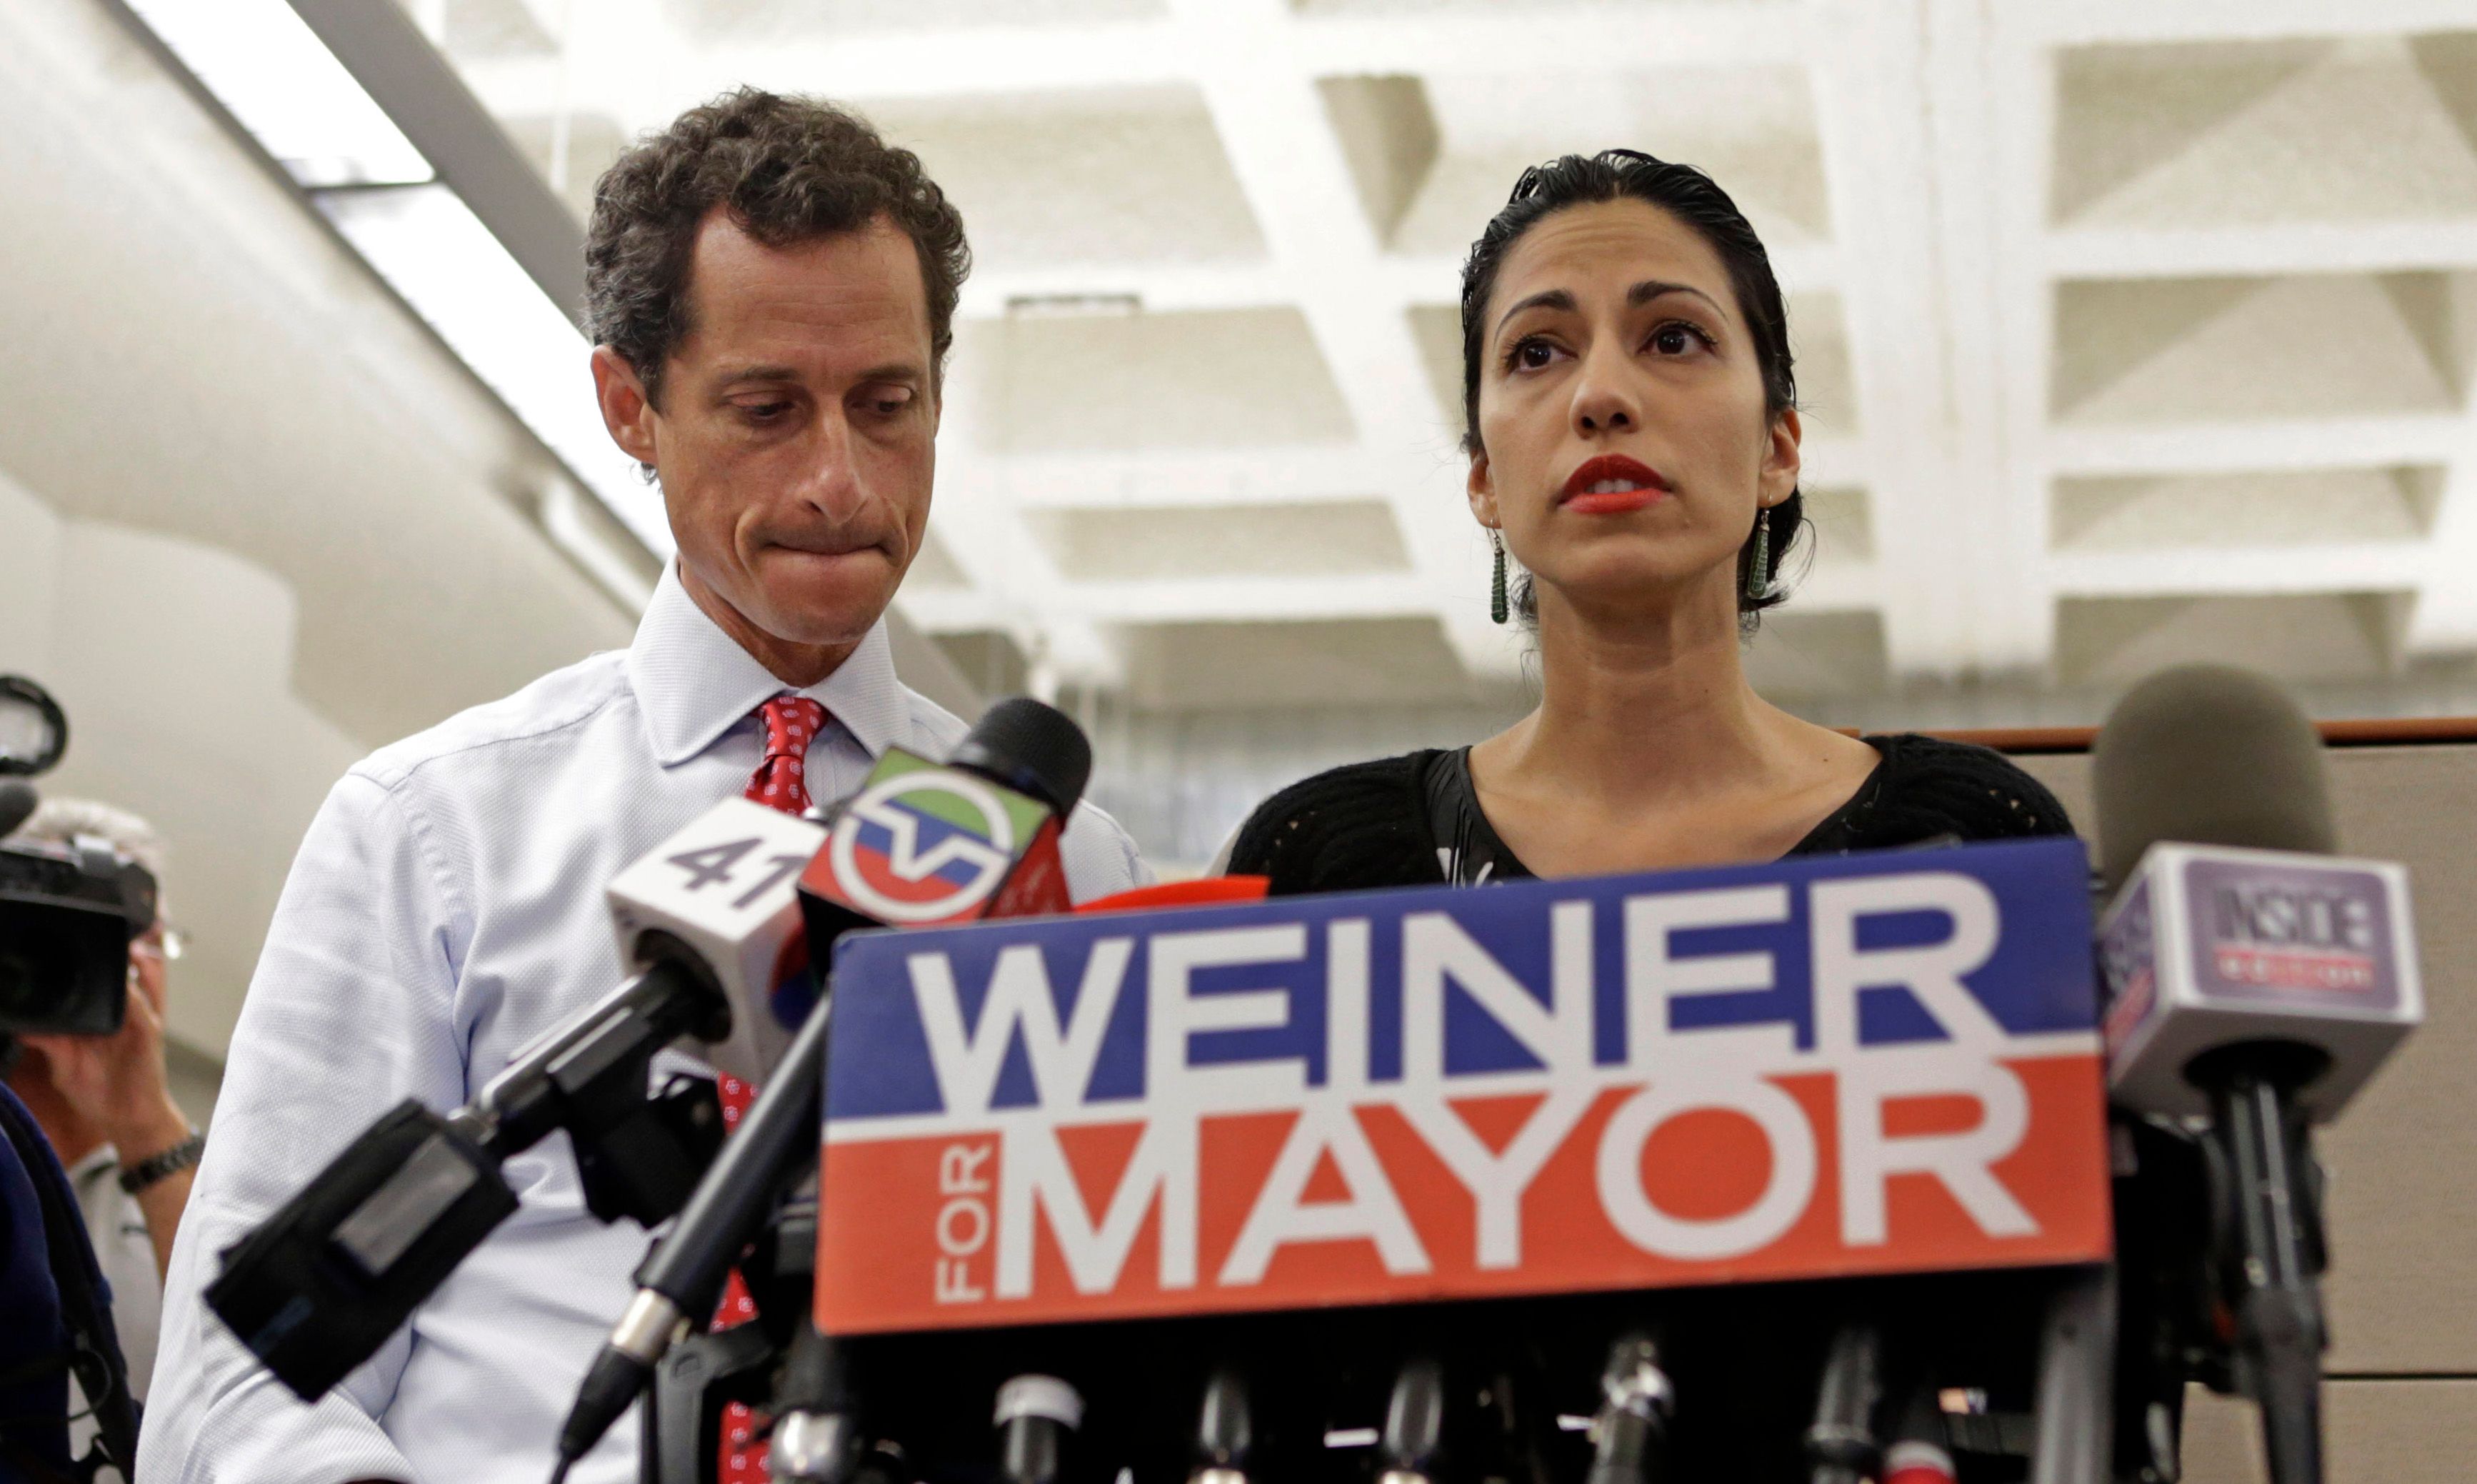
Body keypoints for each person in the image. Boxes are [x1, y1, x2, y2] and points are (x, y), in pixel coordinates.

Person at [140, 91, 1147, 1484]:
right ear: (631, 405)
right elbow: (234, 1387)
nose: (840, 480)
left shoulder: (1078, 870)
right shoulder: (430, 831)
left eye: (887, 404)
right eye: (767, 409)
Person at [1229, 151, 2068, 893]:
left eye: (1672, 337)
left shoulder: (1966, 837)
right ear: (1484, 477)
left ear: (1775, 449)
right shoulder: (1324, 862)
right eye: (1537, 351)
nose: (1600, 396)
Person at [4, 799, 199, 1404]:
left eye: (144, 938)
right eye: (77, 932)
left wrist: (149, 1134)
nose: (118, 961)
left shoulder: (219, 1181)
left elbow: (260, 1369)